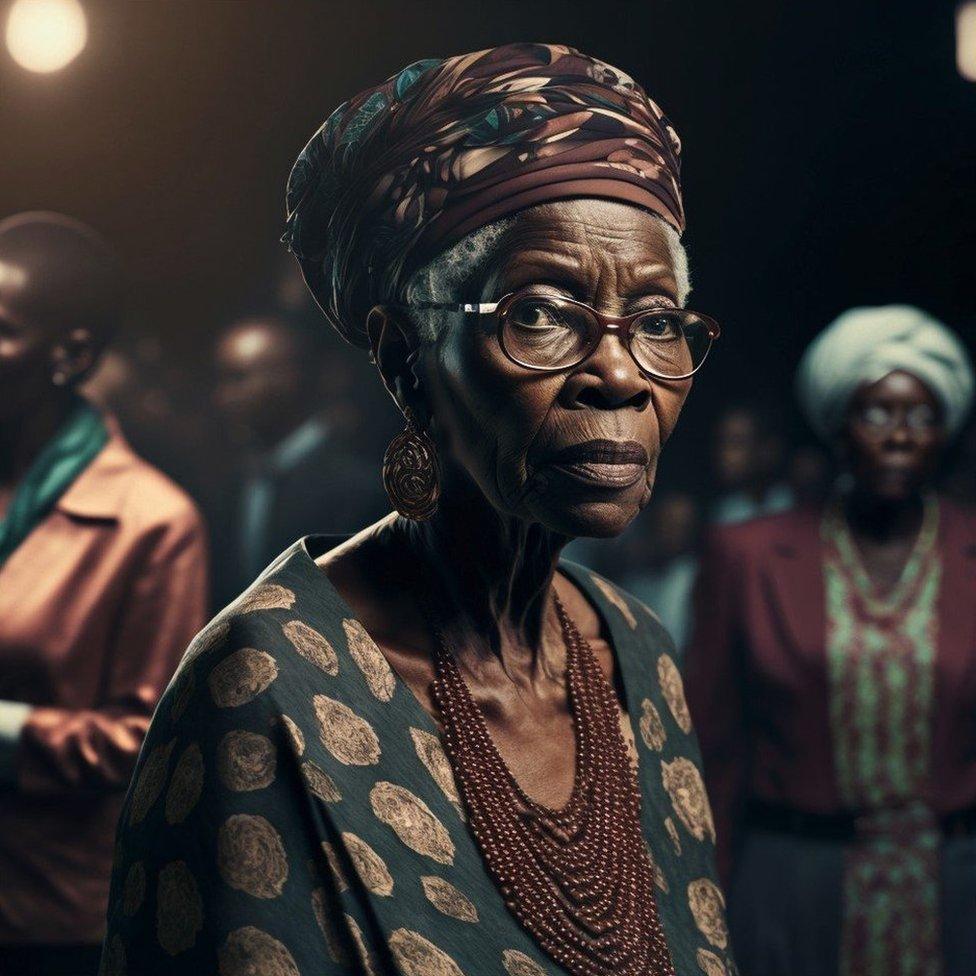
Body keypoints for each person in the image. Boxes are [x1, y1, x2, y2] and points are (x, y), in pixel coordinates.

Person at [103, 45, 734, 976]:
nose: (618, 374)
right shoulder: (264, 688)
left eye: (655, 320)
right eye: (543, 312)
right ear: (406, 357)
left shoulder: (637, 654)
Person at [685, 305, 976, 976]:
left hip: (954, 892)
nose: (900, 436)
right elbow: (713, 749)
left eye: (922, 416)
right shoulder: (748, 556)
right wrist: (704, 902)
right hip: (793, 887)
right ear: (838, 428)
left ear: (944, 433)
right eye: (877, 413)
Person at [0, 212, 209, 975]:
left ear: (71, 355)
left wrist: (5, 732)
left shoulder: (151, 522)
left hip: (45, 918)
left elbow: (145, 744)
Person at [210, 314, 387, 606]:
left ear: (288, 378)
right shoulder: (237, 484)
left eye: (237, 378)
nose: (222, 397)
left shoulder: (356, 485)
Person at [619, 491, 702, 658]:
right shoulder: (635, 579)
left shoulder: (697, 578)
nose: (672, 533)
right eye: (667, 524)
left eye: (681, 526)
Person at [709, 405, 792, 525]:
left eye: (736, 443)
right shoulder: (721, 515)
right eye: (722, 442)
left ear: (766, 449)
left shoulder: (792, 501)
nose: (725, 454)